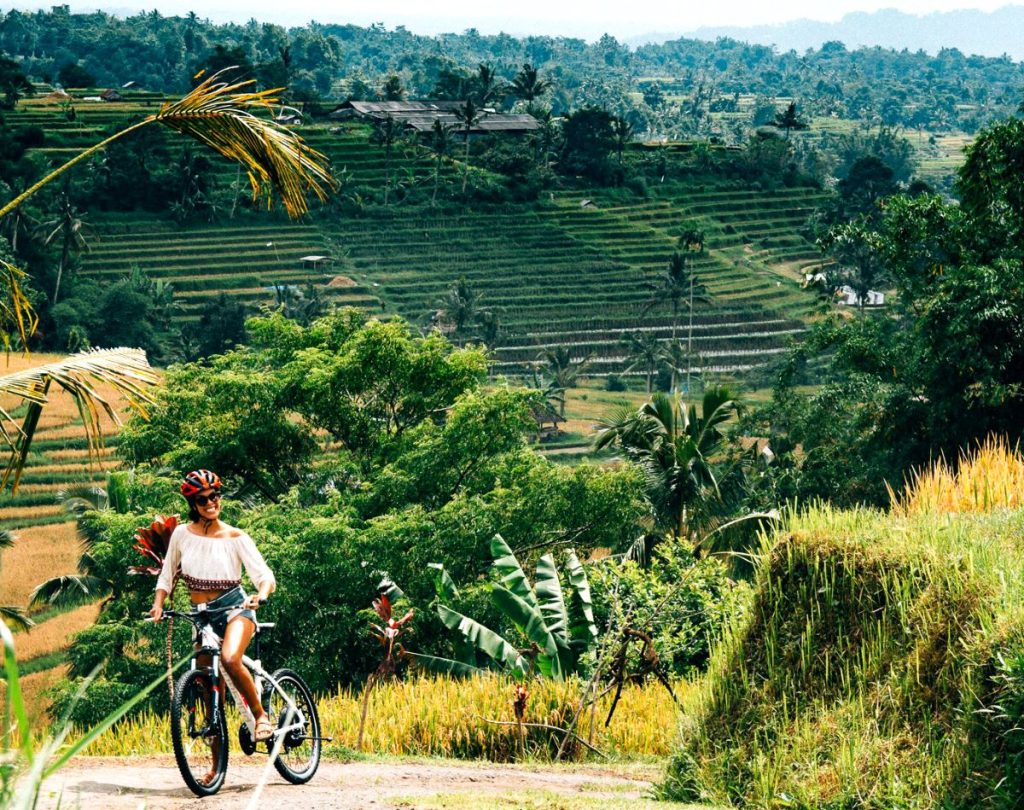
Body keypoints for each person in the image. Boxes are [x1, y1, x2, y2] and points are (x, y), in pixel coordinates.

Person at [149, 469, 277, 776]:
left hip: (235, 609)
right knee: (208, 689)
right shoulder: (181, 534)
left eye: (214, 496)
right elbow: (167, 575)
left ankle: (260, 717)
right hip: (201, 615)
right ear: (193, 504)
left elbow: (265, 576)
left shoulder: (235, 537)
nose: (210, 503)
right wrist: (158, 605)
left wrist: (259, 595)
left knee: (231, 660)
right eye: (203, 499)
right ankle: (217, 767)